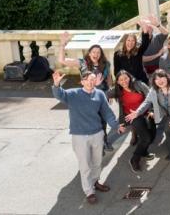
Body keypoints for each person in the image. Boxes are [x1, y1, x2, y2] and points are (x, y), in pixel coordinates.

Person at [51, 70, 119, 205]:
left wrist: (116, 125)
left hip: (97, 133)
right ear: (82, 81)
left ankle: (95, 181)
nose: (91, 82)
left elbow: (107, 112)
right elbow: (59, 95)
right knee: (85, 165)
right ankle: (89, 191)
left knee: (97, 161)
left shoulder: (99, 94)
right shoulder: (73, 94)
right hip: (80, 136)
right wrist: (56, 84)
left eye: (93, 79)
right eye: (88, 79)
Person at [57, 32, 113, 150]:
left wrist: (111, 93)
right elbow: (62, 60)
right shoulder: (82, 63)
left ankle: (104, 140)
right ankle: (91, 143)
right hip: (86, 95)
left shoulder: (106, 64)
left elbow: (109, 78)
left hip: (101, 95)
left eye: (98, 52)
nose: (96, 54)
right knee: (90, 118)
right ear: (89, 53)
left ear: (101, 54)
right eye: (93, 52)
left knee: (103, 119)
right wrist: (62, 44)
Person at [126, 69, 170, 161]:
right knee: (168, 130)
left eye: (161, 77)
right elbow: (147, 101)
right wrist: (137, 112)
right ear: (154, 81)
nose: (159, 81)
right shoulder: (154, 90)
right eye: (156, 79)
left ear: (167, 77)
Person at [107, 70, 154, 173]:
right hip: (132, 117)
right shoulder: (117, 90)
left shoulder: (139, 84)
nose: (124, 81)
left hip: (146, 113)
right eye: (121, 80)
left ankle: (143, 152)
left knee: (151, 136)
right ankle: (134, 160)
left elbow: (151, 96)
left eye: (125, 78)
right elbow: (103, 95)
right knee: (146, 138)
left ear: (130, 77)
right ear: (118, 82)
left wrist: (151, 111)